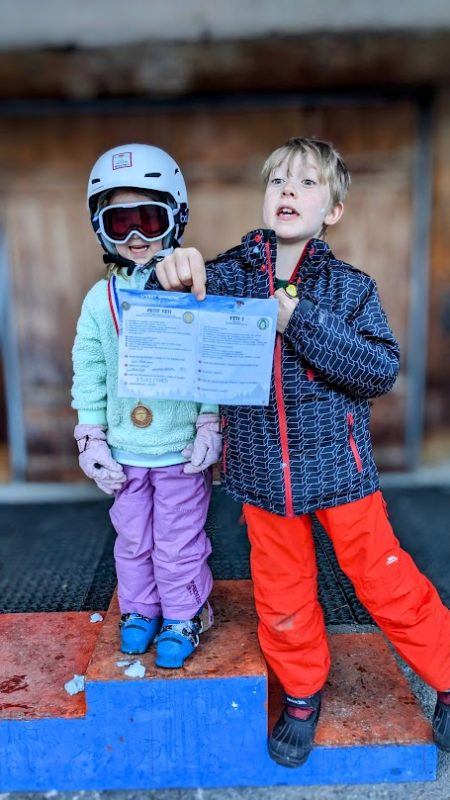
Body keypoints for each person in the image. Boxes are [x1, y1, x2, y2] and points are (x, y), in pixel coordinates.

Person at [144, 136, 450, 764]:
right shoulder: (223, 276)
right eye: (278, 180)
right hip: (261, 476)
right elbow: (166, 315)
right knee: (281, 592)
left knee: (385, 581)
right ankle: (303, 694)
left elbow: (377, 370)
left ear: (332, 210)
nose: (288, 190)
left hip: (342, 474)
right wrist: (167, 273)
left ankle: (447, 676)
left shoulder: (350, 289)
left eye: (307, 183)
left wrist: (297, 318)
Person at [71, 143, 221, 669]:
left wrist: (209, 422)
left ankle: (183, 611)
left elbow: (210, 357)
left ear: (175, 217)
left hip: (179, 448)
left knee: (177, 538)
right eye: (121, 224)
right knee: (132, 537)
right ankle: (140, 610)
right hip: (125, 447)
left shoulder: (188, 288)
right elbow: (89, 370)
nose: (136, 238)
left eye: (149, 220)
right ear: (101, 228)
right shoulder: (99, 300)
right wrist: (90, 437)